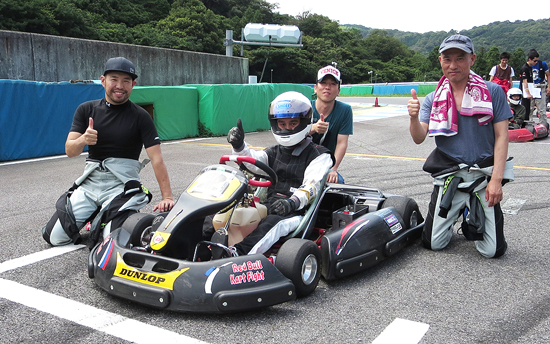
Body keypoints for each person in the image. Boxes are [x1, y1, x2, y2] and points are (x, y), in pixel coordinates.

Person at [42, 57, 175, 247]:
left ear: (133, 84)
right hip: (90, 183)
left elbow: (156, 159)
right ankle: (96, 213)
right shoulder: (86, 109)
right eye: (114, 79)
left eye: (126, 81)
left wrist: (167, 197)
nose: (119, 86)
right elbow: (70, 150)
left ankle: (112, 215)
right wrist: (83, 140)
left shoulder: (141, 117)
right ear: (103, 80)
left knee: (111, 240)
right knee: (55, 237)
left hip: (122, 185)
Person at [408, 34, 513, 258]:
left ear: (472, 59)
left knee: (492, 251)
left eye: (460, 58)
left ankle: (471, 212)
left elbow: (502, 136)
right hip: (449, 175)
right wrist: (413, 118)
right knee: (433, 243)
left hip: (482, 175)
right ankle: (458, 210)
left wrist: (496, 181)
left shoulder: (492, 91)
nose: (453, 65)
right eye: (447, 59)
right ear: (440, 60)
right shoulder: (433, 98)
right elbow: (419, 137)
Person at [207, 91, 334, 256]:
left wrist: (292, 202)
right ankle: (193, 246)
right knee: (222, 211)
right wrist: (239, 146)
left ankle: (235, 255)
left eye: (293, 123)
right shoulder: (274, 151)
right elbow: (252, 163)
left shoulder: (320, 155)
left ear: (305, 123)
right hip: (270, 204)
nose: (287, 127)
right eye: (282, 123)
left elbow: (312, 186)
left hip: (296, 212)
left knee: (271, 223)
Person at [310, 65, 353, 184]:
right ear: (315, 88)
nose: (327, 87)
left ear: (338, 90)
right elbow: (294, 135)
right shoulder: (305, 107)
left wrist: (333, 169)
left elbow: (342, 143)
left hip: (325, 165)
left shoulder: (345, 110)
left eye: (333, 84)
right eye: (323, 83)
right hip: (301, 162)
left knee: (338, 183)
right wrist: (313, 128)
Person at [529, 49, 549, 128]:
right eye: (534, 60)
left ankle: (543, 124)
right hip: (531, 87)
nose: (536, 62)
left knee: (541, 108)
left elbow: (548, 75)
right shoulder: (528, 66)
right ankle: (529, 123)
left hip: (540, 86)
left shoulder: (543, 64)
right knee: (530, 107)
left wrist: (549, 87)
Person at [518, 50, 539, 122]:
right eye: (534, 61)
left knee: (530, 108)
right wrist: (528, 93)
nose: (535, 62)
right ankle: (524, 122)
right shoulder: (525, 68)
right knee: (525, 108)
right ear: (529, 59)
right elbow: (525, 82)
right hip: (525, 92)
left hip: (531, 89)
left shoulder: (530, 67)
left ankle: (527, 121)